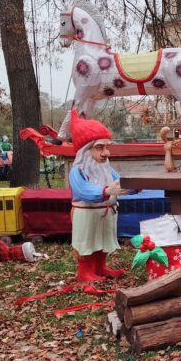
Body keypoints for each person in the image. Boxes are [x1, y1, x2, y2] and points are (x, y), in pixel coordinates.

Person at [69, 110, 133, 281]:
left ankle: (100, 267)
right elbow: (82, 190)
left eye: (107, 147)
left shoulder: (106, 168)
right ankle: (84, 272)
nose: (106, 153)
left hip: (107, 212)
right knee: (87, 241)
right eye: (99, 148)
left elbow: (119, 182)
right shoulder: (77, 171)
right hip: (87, 214)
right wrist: (105, 191)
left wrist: (133, 187)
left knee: (103, 240)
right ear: (85, 150)